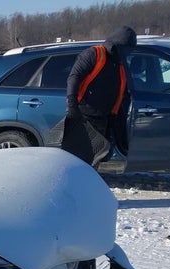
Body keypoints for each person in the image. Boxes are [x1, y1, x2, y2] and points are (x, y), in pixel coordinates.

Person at [60, 26, 137, 167]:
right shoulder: (94, 54)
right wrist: (72, 106)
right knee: (79, 154)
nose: (127, 54)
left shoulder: (120, 64)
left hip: (104, 117)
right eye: (126, 49)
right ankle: (76, 181)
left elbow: (122, 90)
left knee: (97, 155)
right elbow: (74, 77)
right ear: (117, 46)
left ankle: (89, 179)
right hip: (83, 114)